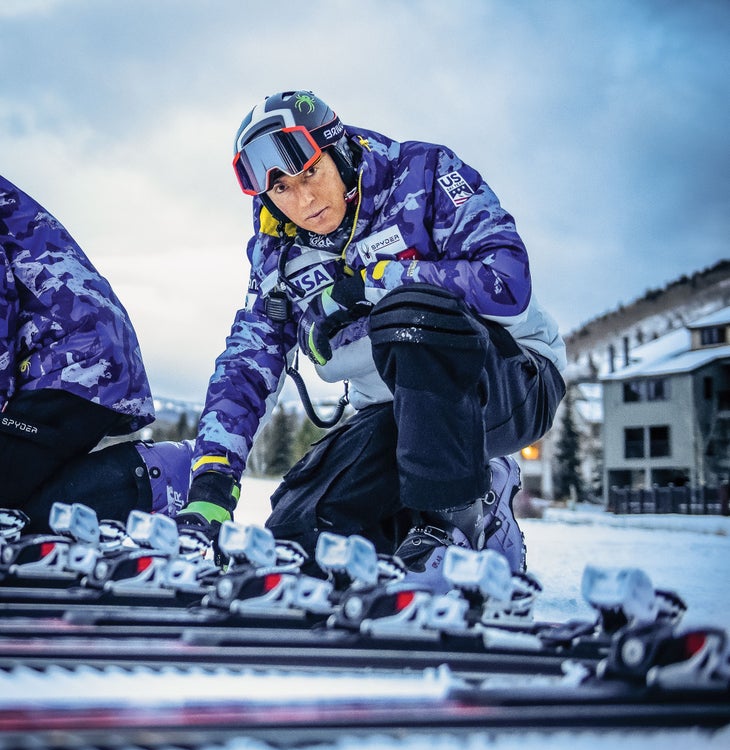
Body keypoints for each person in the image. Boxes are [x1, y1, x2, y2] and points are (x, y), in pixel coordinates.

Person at [176, 90, 567, 578]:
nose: (305, 201)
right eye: (282, 191)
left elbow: (507, 282)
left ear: (337, 149)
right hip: (398, 414)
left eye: (311, 173)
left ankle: (462, 518)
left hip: (507, 381)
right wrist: (211, 486)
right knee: (300, 537)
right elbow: (246, 366)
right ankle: (416, 536)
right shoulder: (276, 255)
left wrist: (371, 282)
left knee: (407, 312)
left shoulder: (423, 173)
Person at [0, 175, 191, 531]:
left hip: (68, 354)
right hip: (75, 350)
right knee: (18, 501)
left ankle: (151, 480)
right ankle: (145, 478)